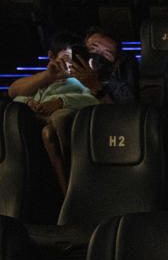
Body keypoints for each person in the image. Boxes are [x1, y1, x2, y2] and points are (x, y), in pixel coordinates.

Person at [8, 31, 99, 195]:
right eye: (65, 58)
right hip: (36, 119)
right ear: (51, 56)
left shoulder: (80, 80)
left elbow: (91, 98)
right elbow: (15, 93)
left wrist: (60, 102)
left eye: (74, 60)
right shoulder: (42, 79)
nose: (69, 65)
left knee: (51, 129)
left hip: (63, 120)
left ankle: (68, 193)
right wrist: (31, 102)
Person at [73, 27, 137, 105]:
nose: (98, 55)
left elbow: (125, 110)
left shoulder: (116, 86)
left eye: (107, 54)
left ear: (115, 63)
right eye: (93, 49)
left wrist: (96, 88)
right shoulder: (68, 72)